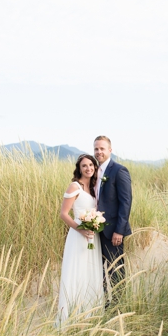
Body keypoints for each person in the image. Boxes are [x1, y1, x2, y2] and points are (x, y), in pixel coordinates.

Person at [56, 154, 105, 326]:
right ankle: (71, 314)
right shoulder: (74, 186)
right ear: (79, 168)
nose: (88, 168)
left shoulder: (93, 187)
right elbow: (63, 214)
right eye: (84, 166)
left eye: (91, 165)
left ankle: (89, 312)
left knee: (90, 272)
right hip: (78, 235)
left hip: (93, 235)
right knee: (76, 271)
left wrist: (93, 226)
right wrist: (81, 230)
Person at [93, 136, 132, 308]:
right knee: (98, 270)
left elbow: (126, 202)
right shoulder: (94, 171)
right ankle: (104, 303)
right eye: (96, 149)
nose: (99, 152)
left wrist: (119, 231)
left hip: (113, 231)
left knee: (116, 270)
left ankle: (119, 305)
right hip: (96, 230)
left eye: (102, 148)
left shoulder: (119, 170)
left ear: (110, 150)